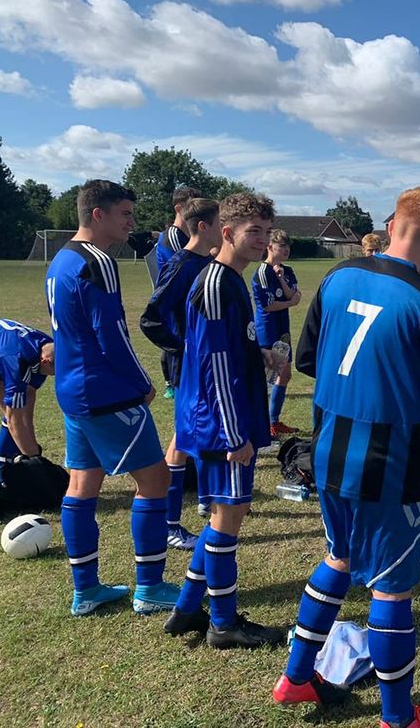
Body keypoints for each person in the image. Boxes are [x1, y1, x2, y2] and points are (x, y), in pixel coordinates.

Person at [273, 187, 420, 728]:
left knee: (338, 556)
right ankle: (399, 717)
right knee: (391, 586)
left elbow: (311, 358)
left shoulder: (337, 278)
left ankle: (295, 679)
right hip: (386, 457)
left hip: (327, 445)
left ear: (391, 226)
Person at [45, 179, 178, 617]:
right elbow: (112, 334)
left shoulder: (61, 258)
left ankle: (85, 590)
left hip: (73, 390)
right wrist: (141, 381)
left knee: (82, 484)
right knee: (155, 480)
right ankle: (151, 587)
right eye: (125, 213)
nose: (131, 222)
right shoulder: (98, 261)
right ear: (97, 214)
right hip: (104, 390)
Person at [164, 193, 284, 648]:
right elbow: (213, 367)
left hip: (222, 419)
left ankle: (187, 610)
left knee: (220, 518)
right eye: (254, 231)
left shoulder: (230, 280)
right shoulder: (217, 284)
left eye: (267, 232)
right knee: (227, 520)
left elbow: (224, 351)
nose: (263, 240)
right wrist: (235, 435)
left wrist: (259, 353)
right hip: (220, 426)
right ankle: (225, 623)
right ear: (227, 232)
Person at [140, 198, 222, 550]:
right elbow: (151, 318)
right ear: (203, 226)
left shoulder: (210, 263)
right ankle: (170, 524)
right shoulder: (181, 264)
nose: (225, 230)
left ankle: (207, 498)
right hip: (188, 368)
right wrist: (182, 347)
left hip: (208, 366)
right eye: (221, 223)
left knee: (207, 431)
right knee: (181, 441)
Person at [0, 319, 55, 485]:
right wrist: (37, 461)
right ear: (45, 362)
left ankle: (0, 479)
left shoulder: (45, 348)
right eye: (55, 372)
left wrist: (32, 454)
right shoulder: (15, 361)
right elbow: (16, 422)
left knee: (19, 405)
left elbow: (25, 412)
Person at [252, 228, 302, 439]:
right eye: (281, 245)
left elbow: (294, 294)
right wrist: (290, 302)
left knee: (284, 373)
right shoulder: (262, 272)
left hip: (283, 329)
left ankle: (273, 422)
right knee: (265, 376)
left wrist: (282, 279)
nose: (286, 249)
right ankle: (259, 423)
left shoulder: (286, 270)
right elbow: (268, 305)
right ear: (270, 247)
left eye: (287, 246)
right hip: (267, 328)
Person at [155, 186, 198, 400]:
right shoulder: (173, 237)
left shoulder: (187, 236)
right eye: (191, 208)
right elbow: (185, 267)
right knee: (182, 372)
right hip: (175, 311)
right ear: (179, 208)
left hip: (186, 310)